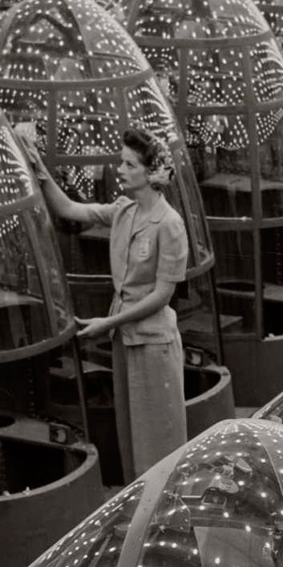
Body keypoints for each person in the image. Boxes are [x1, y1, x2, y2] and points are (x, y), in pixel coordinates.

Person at [22, 126, 189, 480]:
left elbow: (162, 296)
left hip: (153, 345)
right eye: (121, 162)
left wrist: (106, 323)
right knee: (131, 437)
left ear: (150, 172)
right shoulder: (123, 211)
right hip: (125, 339)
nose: (120, 170)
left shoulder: (169, 224)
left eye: (129, 164)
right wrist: (38, 167)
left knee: (158, 441)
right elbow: (67, 209)